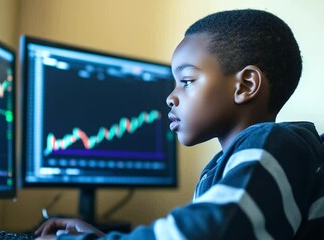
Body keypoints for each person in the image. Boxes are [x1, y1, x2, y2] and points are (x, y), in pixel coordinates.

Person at [34, 9, 324, 240]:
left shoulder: (272, 144)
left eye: (186, 81)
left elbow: (213, 231)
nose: (171, 97)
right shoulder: (228, 165)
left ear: (245, 85)